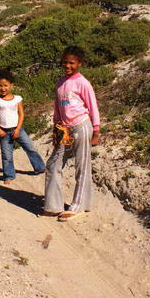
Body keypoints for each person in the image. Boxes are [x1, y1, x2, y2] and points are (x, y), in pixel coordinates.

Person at [43, 46, 101, 222]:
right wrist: (56, 125)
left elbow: (93, 106)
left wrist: (96, 130)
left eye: (72, 62)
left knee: (81, 166)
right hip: (64, 130)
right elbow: (57, 106)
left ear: (79, 64)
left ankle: (79, 205)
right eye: (65, 62)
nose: (68, 65)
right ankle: (53, 206)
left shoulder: (82, 82)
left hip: (81, 126)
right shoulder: (60, 82)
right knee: (53, 164)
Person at [0, 70, 46, 185]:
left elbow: (21, 114)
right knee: (7, 155)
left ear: (11, 85)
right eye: (0, 86)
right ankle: (9, 175)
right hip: (4, 131)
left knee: (30, 148)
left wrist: (18, 129)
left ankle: (40, 167)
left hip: (18, 129)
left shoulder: (17, 98)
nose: (3, 88)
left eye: (5, 85)